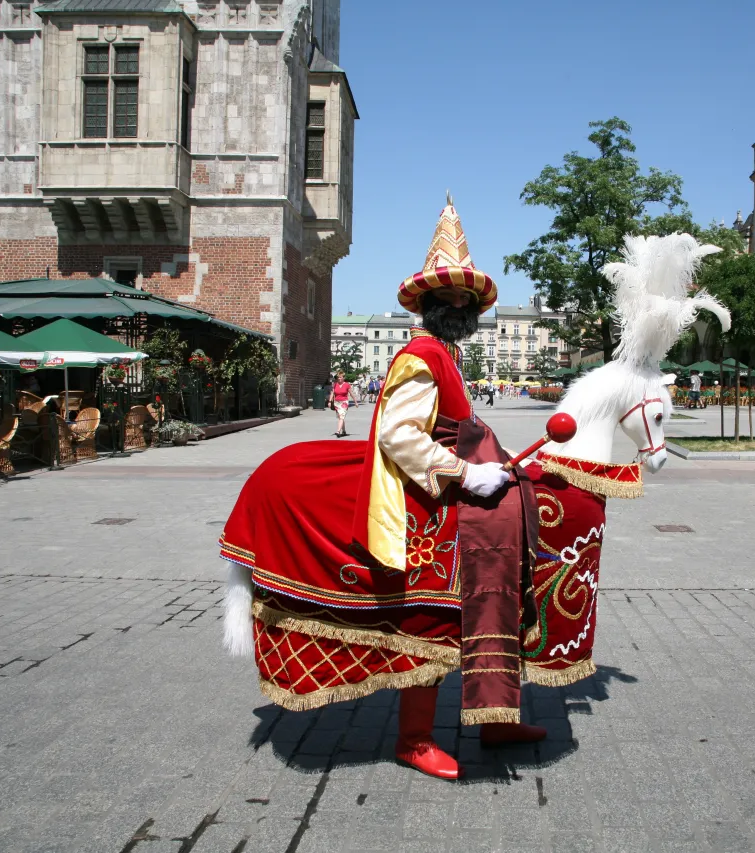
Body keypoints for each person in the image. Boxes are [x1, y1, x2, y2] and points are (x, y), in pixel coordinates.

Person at [220, 197, 542, 781]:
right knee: (434, 618)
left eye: (463, 300)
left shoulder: (447, 355)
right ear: (426, 308)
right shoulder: (423, 355)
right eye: (443, 299)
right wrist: (468, 474)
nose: (454, 307)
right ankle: (415, 739)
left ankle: (495, 716)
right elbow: (398, 433)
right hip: (429, 508)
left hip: (455, 498)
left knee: (496, 597)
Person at [329, 371, 352, 436]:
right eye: (338, 377)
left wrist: (355, 402)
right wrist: (330, 401)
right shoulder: (335, 384)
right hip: (337, 403)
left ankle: (338, 431)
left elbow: (351, 393)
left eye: (340, 377)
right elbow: (332, 393)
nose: (339, 379)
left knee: (341, 417)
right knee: (340, 417)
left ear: (343, 378)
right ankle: (344, 431)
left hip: (344, 403)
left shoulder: (347, 385)